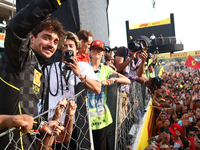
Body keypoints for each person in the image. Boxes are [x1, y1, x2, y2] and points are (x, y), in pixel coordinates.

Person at [0, 0, 67, 149]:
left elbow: (26, 112)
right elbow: (16, 28)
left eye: (56, 41)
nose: (52, 44)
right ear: (31, 38)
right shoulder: (20, 58)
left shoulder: (38, 68)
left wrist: (42, 124)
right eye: (47, 37)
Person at [45, 31, 101, 149]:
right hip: (53, 123)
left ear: (77, 50)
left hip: (75, 123)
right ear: (60, 49)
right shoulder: (50, 69)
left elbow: (97, 89)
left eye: (71, 46)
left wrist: (79, 74)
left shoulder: (84, 67)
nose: (68, 49)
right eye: (64, 46)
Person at [88, 40, 131, 150]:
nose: (96, 51)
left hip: (100, 118)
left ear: (103, 53)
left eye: (99, 50)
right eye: (94, 49)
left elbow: (127, 80)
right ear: (90, 51)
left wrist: (114, 79)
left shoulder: (106, 69)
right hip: (85, 117)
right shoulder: (84, 67)